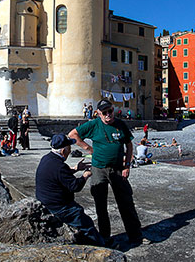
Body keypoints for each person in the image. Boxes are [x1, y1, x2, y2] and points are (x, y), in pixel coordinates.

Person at [68, 99, 146, 246]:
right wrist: (88, 149)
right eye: (104, 112)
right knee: (101, 205)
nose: (108, 114)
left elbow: (129, 145)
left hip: (117, 169)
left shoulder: (120, 124)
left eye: (110, 111)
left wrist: (127, 166)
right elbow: (73, 135)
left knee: (126, 202)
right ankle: (105, 237)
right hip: (98, 169)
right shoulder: (94, 125)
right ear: (99, 114)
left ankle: (136, 235)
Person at [35, 134, 106, 246]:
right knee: (85, 222)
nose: (70, 150)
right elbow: (75, 186)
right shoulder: (59, 166)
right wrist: (85, 175)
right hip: (58, 206)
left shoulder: (47, 158)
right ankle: (102, 247)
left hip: (45, 200)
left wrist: (76, 169)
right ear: (64, 150)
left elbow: (58, 175)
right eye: (69, 147)